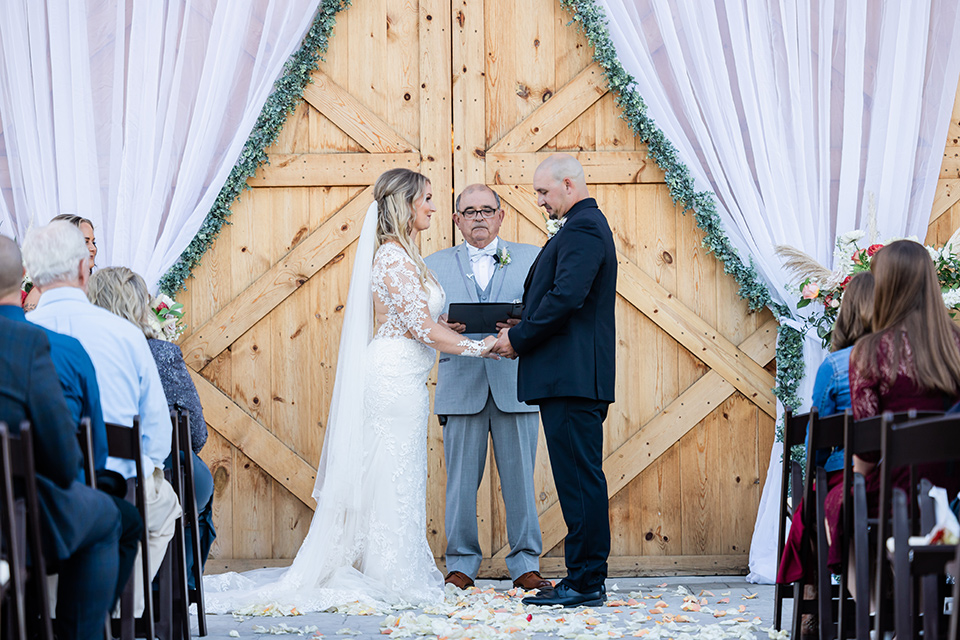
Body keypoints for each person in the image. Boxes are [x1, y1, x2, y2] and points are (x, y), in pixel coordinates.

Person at [204, 168, 498, 613]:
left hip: (408, 382)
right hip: (392, 381)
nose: (434, 207)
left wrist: (447, 329)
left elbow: (414, 320)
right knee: (388, 473)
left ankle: (392, 568)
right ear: (405, 204)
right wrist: (483, 347)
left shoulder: (405, 255)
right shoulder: (393, 258)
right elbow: (420, 329)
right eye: (428, 199)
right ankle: (387, 575)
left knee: (398, 475)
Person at [22, 221, 180, 615]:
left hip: (29, 495)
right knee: (162, 511)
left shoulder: (20, 338)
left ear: (33, 276)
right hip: (117, 488)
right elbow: (158, 436)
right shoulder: (125, 336)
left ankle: (49, 611)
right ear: (82, 270)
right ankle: (115, 612)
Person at [492, 153, 617, 607]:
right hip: (571, 376)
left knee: (579, 480)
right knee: (577, 478)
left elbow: (568, 295)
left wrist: (520, 339)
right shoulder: (582, 225)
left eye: (543, 192)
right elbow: (559, 296)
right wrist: (516, 321)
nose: (539, 200)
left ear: (568, 184)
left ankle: (585, 582)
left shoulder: (583, 227)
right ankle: (586, 578)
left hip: (572, 377)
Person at [0, 237, 143, 609]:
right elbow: (68, 464)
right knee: (117, 520)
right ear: (23, 279)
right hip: (18, 515)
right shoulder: (32, 344)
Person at [424, 184, 547, 591]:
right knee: (459, 484)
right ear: (457, 219)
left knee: (521, 484)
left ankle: (526, 564)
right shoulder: (431, 264)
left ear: (501, 215)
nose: (479, 217)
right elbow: (420, 322)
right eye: (470, 211)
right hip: (461, 384)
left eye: (486, 210)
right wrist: (443, 328)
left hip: (516, 385)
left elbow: (550, 312)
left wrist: (523, 326)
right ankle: (461, 564)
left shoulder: (532, 257)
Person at [824, 240, 960, 603]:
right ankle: (917, 608)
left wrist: (855, 480)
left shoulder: (869, 351)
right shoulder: (956, 344)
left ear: (885, 288)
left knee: (837, 503)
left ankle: (873, 612)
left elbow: (867, 450)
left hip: (898, 486)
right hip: (950, 487)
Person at [87, 266, 215, 590]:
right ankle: (175, 591)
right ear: (140, 306)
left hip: (86, 467)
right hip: (149, 469)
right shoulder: (160, 353)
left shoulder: (79, 347)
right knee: (195, 495)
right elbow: (195, 433)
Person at [775, 272, 873, 636]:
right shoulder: (900, 362)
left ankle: (811, 608)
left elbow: (816, 434)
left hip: (840, 475)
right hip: (892, 473)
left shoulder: (834, 366)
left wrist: (817, 470)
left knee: (809, 514)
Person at [22, 215, 96, 313]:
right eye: (86, 242)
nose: (93, 248)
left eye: (93, 242)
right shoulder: (41, 290)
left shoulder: (96, 284)